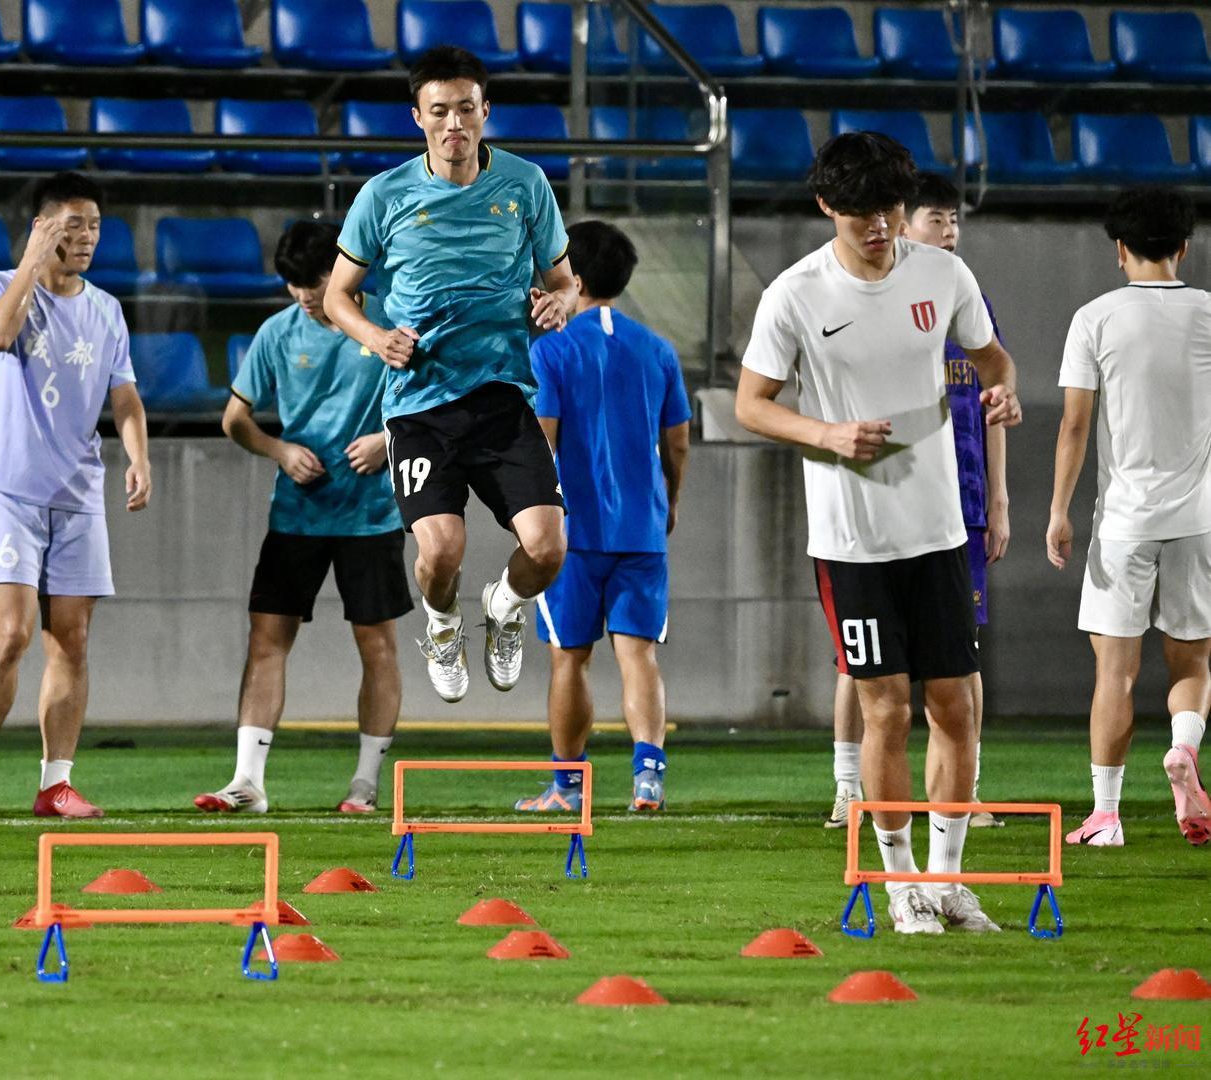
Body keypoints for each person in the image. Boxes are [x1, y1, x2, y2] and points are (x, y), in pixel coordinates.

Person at [734, 132, 1022, 935]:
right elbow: (751, 403)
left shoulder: (944, 274)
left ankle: (949, 881)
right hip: (852, 540)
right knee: (887, 711)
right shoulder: (795, 294)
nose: (879, 226)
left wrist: (1003, 391)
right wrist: (826, 434)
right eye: (861, 211)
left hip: (939, 530)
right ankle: (900, 887)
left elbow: (995, 362)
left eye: (891, 208)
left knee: (956, 707)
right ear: (827, 205)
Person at [324, 46, 576, 704]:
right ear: (418, 117)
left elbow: (565, 280)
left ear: (486, 110)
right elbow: (337, 296)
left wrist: (561, 302)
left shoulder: (525, 184)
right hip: (420, 405)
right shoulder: (384, 195)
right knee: (440, 552)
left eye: (466, 108)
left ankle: (504, 605)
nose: (454, 123)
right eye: (439, 111)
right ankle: (441, 624)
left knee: (548, 548)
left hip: (502, 395)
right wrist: (376, 337)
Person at [193, 223, 412, 814]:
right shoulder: (278, 332)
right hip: (297, 514)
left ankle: (365, 784)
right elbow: (235, 419)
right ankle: (247, 782)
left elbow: (436, 402)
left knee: (377, 645)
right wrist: (279, 450)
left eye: (313, 282)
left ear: (344, 272)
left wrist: (389, 440)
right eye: (293, 285)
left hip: (371, 515)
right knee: (266, 639)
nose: (304, 296)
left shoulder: (392, 319)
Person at [0, 171, 152, 819]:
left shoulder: (107, 310)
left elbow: (124, 395)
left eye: (94, 226)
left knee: (71, 639)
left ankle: (55, 783)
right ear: (40, 228)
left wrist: (138, 457)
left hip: (79, 493)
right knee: (11, 632)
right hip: (9, 489)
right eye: (72, 225)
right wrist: (32, 262)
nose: (87, 237)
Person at [824, 172, 1011, 831]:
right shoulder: (860, 299)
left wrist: (999, 500)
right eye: (938, 218)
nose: (950, 230)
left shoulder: (968, 299)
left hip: (960, 507)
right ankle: (850, 788)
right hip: (878, 507)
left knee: (960, 658)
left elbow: (993, 401)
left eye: (955, 219)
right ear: (901, 222)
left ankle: (965, 792)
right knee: (864, 662)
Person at [1048, 186, 1211, 849]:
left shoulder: (1095, 318)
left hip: (1122, 524)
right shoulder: (1208, 313)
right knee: (1192, 662)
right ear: (1184, 247)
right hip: (1198, 520)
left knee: (1114, 673)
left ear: (1119, 250)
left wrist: (1058, 511)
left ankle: (1106, 816)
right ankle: (1183, 748)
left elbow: (1074, 425)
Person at [509, 220, 690, 813]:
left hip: (575, 532)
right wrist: (671, 501)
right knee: (639, 654)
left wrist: (528, 515)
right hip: (642, 529)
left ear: (576, 280)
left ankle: (566, 787)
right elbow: (677, 442)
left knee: (570, 657)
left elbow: (544, 439)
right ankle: (648, 776)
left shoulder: (552, 349)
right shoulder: (658, 349)